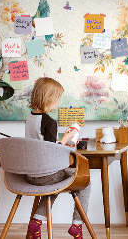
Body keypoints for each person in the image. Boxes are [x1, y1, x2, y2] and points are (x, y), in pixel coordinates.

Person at [25, 77, 91, 239]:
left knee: (54, 183)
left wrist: (59, 142)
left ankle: (37, 221)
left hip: (30, 175)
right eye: (57, 100)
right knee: (85, 182)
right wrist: (64, 141)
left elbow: (41, 144)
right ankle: (77, 225)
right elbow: (52, 153)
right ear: (49, 99)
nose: (57, 103)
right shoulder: (49, 122)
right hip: (45, 175)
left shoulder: (30, 118)